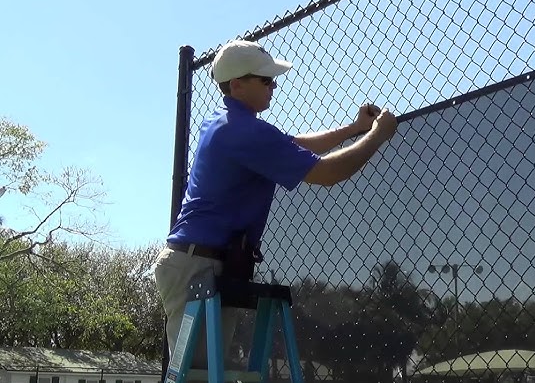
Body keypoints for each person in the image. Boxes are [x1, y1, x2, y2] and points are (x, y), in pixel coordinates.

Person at [153, 39, 397, 372]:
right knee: (199, 377)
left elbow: (293, 145)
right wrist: (378, 135)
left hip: (199, 262)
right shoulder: (242, 131)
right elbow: (326, 173)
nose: (274, 85)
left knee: (206, 375)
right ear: (238, 85)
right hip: (196, 267)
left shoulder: (228, 121)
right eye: (265, 79)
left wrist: (355, 129)